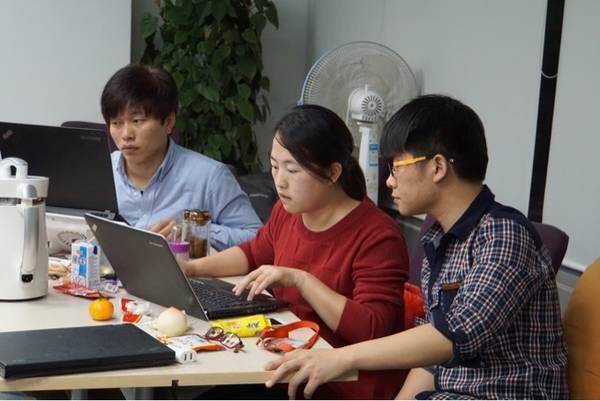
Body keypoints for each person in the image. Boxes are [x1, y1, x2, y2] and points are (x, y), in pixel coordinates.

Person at [263, 95, 568, 399]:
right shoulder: (439, 239)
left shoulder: (504, 235)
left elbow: (452, 337)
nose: (389, 181)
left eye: (396, 166)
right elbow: (431, 358)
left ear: (437, 168)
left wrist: (340, 358)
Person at [182, 104, 410, 399]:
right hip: (282, 366)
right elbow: (253, 253)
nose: (280, 181)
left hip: (334, 384)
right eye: (274, 166)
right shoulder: (288, 211)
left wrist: (301, 280)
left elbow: (371, 327)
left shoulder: (377, 235)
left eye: (292, 170)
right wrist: (192, 268)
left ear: (333, 173)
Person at [100, 63, 261, 250]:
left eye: (137, 121)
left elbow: (256, 237)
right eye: (116, 123)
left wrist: (192, 232)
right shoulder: (100, 171)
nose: (126, 134)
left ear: (169, 123)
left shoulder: (209, 177)